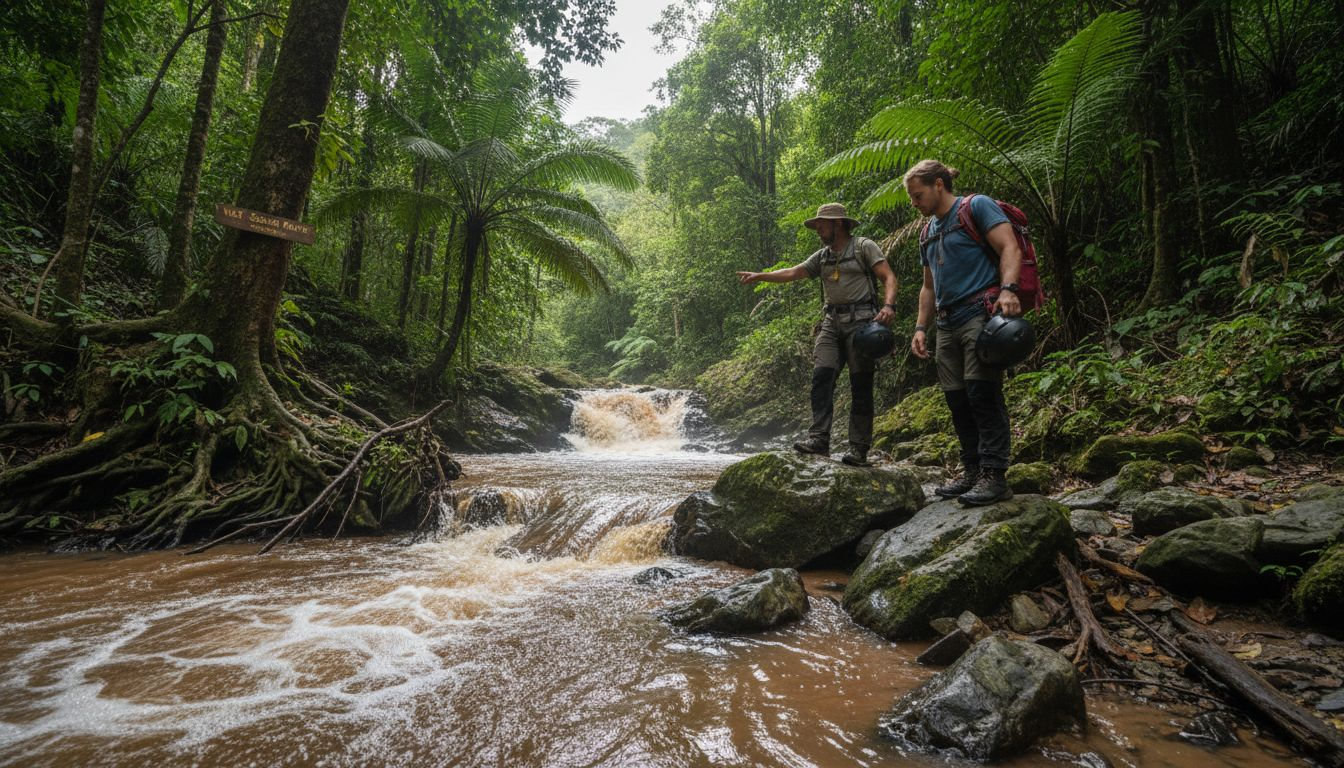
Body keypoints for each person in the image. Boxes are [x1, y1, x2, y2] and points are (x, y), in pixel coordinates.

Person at [737, 203, 898, 466]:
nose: (818, 229)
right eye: (817, 225)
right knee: (821, 377)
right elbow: (793, 272)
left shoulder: (863, 247)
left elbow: (888, 277)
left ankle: (858, 448)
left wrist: (889, 306)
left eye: (822, 224)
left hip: (862, 324)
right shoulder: (821, 256)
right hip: (830, 323)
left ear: (838, 224)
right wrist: (760, 276)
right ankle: (819, 439)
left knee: (861, 385)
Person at [906, 159, 1022, 505]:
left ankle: (994, 474)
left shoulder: (976, 207)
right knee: (957, 399)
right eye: (912, 198)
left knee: (981, 393)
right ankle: (972, 470)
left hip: (979, 312)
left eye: (918, 195)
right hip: (945, 322)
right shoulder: (927, 231)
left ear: (939, 184)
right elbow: (928, 287)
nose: (915, 203)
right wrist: (919, 327)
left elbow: (1009, 246)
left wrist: (1009, 289)